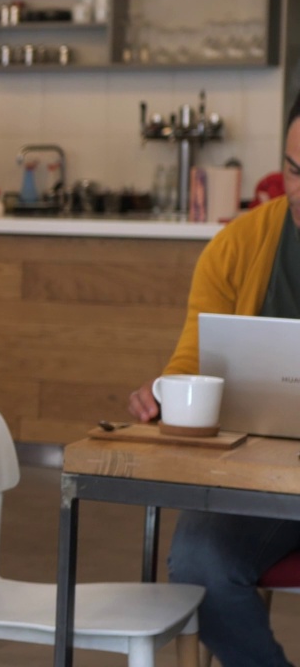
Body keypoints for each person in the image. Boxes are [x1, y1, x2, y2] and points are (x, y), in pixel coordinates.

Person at [127, 95, 300, 667]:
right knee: (198, 562)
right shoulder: (238, 247)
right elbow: (188, 365)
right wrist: (164, 397)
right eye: (295, 170)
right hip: (256, 482)